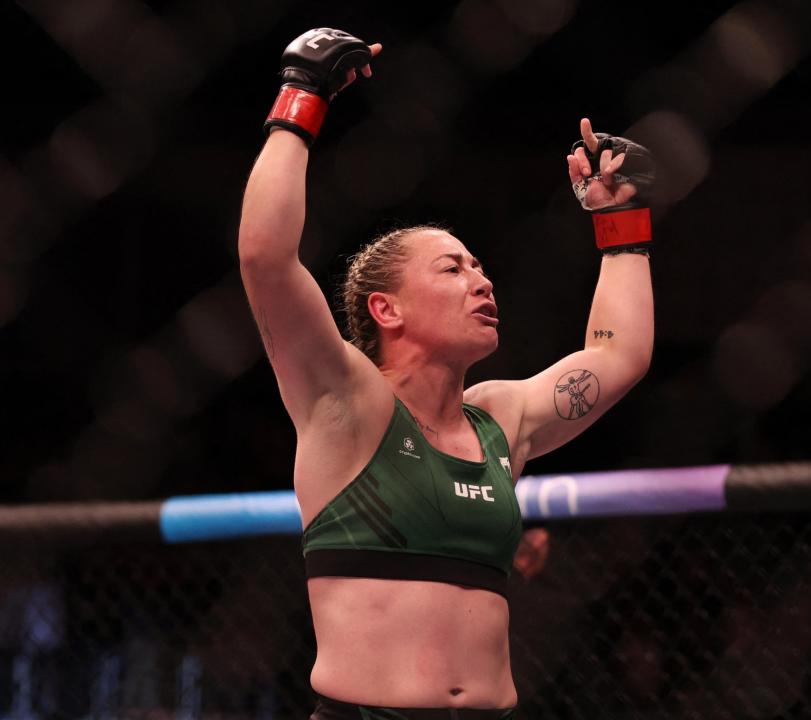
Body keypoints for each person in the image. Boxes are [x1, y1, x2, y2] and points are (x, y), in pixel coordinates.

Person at [238, 27, 655, 720]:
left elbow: (619, 358)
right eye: (453, 268)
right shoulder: (344, 402)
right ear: (386, 309)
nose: (481, 281)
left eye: (481, 267)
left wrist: (622, 221)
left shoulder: (500, 420)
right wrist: (301, 97)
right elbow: (264, 259)